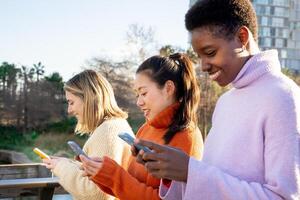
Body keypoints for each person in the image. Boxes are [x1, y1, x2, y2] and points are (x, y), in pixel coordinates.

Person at [135, 0, 300, 199]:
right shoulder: (225, 102)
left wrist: (190, 171)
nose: (203, 66)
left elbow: (284, 196)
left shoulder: (282, 96)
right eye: (199, 56)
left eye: (210, 53)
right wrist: (172, 172)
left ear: (242, 37)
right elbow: (211, 180)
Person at [80, 53, 204, 200]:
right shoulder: (145, 129)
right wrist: (101, 173)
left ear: (168, 88)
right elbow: (129, 189)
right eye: (137, 95)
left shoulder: (186, 136)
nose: (139, 102)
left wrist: (114, 175)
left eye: (143, 93)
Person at [43, 70, 134, 200]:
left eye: (71, 102)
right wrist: (69, 164)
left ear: (89, 98)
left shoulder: (107, 132)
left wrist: (61, 168)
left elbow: (97, 194)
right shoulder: (116, 125)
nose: (69, 110)